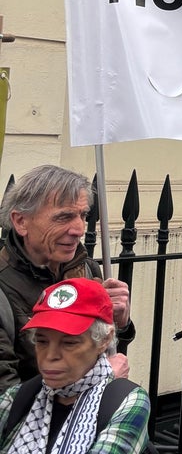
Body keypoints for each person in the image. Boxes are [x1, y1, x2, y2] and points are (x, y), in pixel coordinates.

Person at [0, 165, 135, 389]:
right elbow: (7, 404)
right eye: (63, 217)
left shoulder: (88, 270)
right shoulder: (4, 288)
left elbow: (105, 354)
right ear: (21, 221)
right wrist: (101, 380)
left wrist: (120, 324)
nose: (79, 229)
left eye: (82, 215)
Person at [0, 277, 150, 453]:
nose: (50, 356)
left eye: (69, 343)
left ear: (104, 340)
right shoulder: (18, 397)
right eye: (41, 341)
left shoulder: (126, 402)